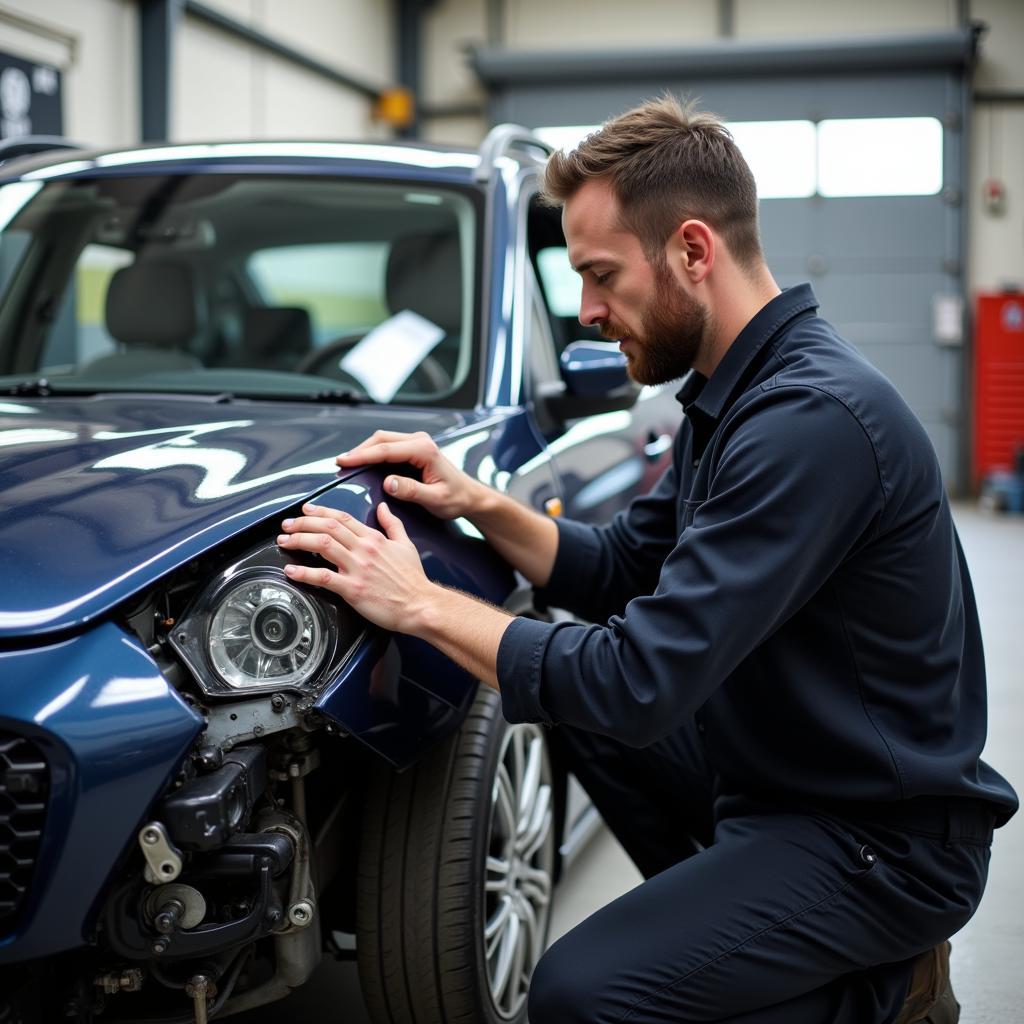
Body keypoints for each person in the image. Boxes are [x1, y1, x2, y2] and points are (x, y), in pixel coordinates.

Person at [276, 96, 1018, 1023]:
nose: (587, 311)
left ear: (693, 252)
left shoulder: (810, 423)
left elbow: (639, 681)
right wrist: (477, 501)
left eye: (600, 276)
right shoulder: (732, 392)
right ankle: (737, 937)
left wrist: (419, 603)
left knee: (583, 995)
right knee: (561, 690)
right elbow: (621, 563)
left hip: (879, 839)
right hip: (784, 781)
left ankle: (886, 988)